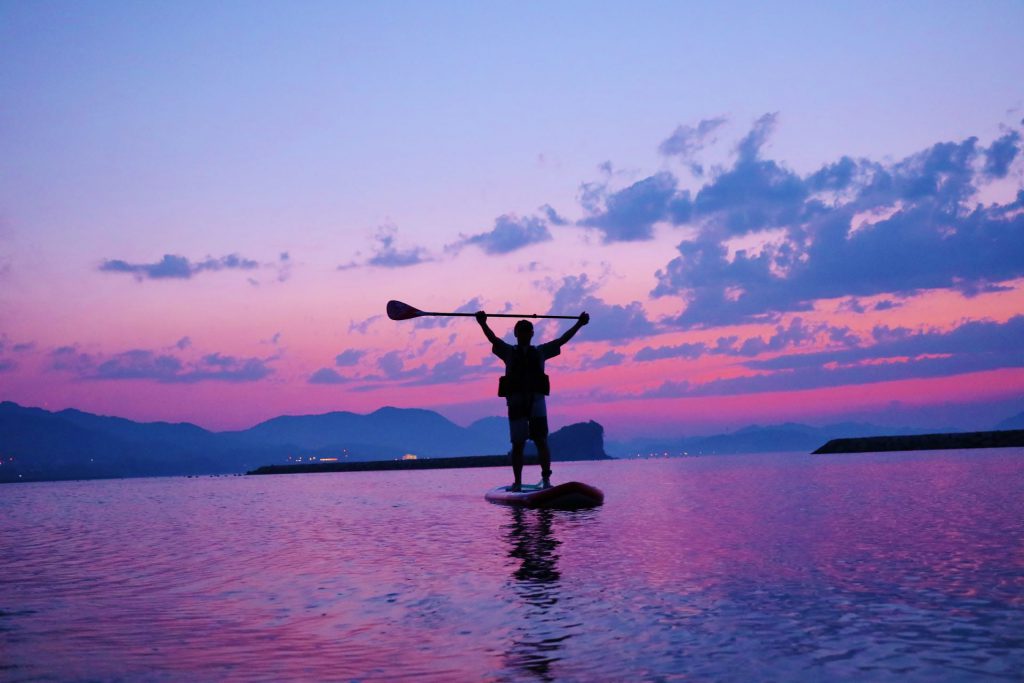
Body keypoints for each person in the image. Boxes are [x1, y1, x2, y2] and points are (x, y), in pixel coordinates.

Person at [475, 310, 590, 491]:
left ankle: (546, 480)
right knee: (518, 444)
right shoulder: (508, 352)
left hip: (536, 402)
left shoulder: (541, 351)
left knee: (541, 440)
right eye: (521, 331)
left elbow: (562, 340)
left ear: (531, 334)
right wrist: (482, 323)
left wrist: (579, 324)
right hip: (516, 402)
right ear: (516, 333)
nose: (524, 334)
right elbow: (493, 339)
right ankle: (518, 483)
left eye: (527, 331)